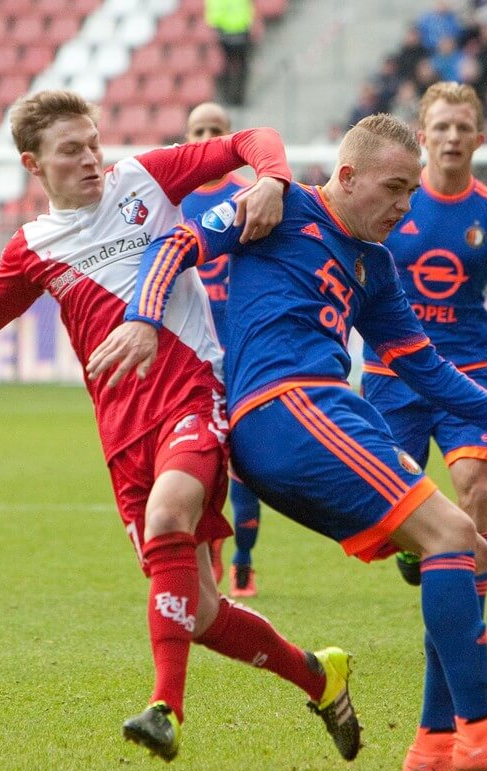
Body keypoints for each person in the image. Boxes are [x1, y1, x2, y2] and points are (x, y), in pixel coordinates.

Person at [0, 89, 360, 765]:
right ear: (35, 164)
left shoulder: (144, 179)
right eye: (72, 151)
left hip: (192, 396)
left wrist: (272, 180)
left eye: (94, 142)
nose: (92, 159)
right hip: (122, 432)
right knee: (202, 613)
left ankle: (164, 708)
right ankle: (320, 677)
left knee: (170, 513)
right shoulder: (34, 246)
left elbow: (253, 137)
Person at [89, 113, 487, 771]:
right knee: (453, 535)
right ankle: (479, 732)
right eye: (393, 188)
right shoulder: (282, 206)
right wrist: (146, 320)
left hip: (318, 414)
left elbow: (430, 370)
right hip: (287, 409)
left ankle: (437, 746)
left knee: (462, 545)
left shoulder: (376, 267)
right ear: (347, 176)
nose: (405, 206)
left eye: (412, 192)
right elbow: (175, 245)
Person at [364, 81, 487, 597]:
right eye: (441, 126)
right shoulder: (392, 202)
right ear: (422, 136)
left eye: (463, 127)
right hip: (390, 374)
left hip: (464, 375)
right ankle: (412, 543)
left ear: (480, 139)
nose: (451, 136)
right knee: (393, 502)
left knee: (476, 488)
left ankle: (469, 617)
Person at [182, 102, 263, 597]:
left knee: (245, 461)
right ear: (187, 138)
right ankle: (208, 546)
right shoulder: (174, 200)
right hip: (191, 350)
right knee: (200, 454)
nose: (208, 135)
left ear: (228, 137)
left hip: (244, 351)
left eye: (216, 130)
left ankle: (244, 558)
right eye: (199, 130)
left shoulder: (251, 195)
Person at [205, 0, 254, 106]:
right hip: (240, 31)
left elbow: (213, 15)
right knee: (239, 66)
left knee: (230, 66)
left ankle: (231, 97)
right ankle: (236, 97)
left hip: (228, 33)